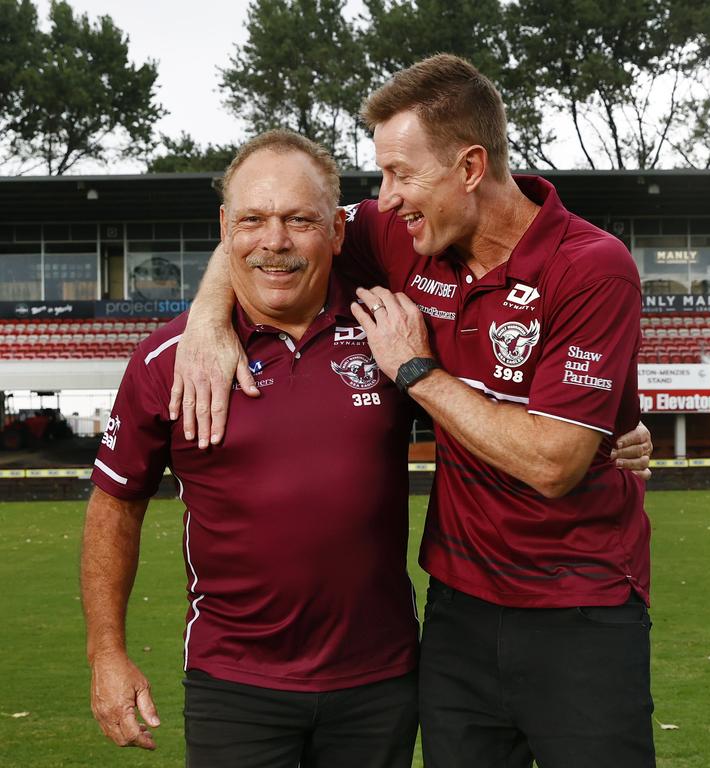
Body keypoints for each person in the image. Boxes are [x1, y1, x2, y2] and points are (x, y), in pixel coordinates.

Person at [173, 54, 656, 768]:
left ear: (469, 167)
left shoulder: (591, 265)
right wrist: (208, 320)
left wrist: (415, 371)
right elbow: (275, 229)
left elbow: (553, 463)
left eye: (401, 173)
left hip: (580, 609)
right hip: (457, 611)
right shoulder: (404, 235)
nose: (386, 197)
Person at [80, 130, 420, 768]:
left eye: (299, 220)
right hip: (235, 685)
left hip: (379, 682)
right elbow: (114, 507)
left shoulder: (390, 332)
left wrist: (605, 429)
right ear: (224, 228)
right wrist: (107, 652)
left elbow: (487, 393)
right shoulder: (166, 361)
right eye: (253, 220)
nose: (275, 242)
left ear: (338, 231)